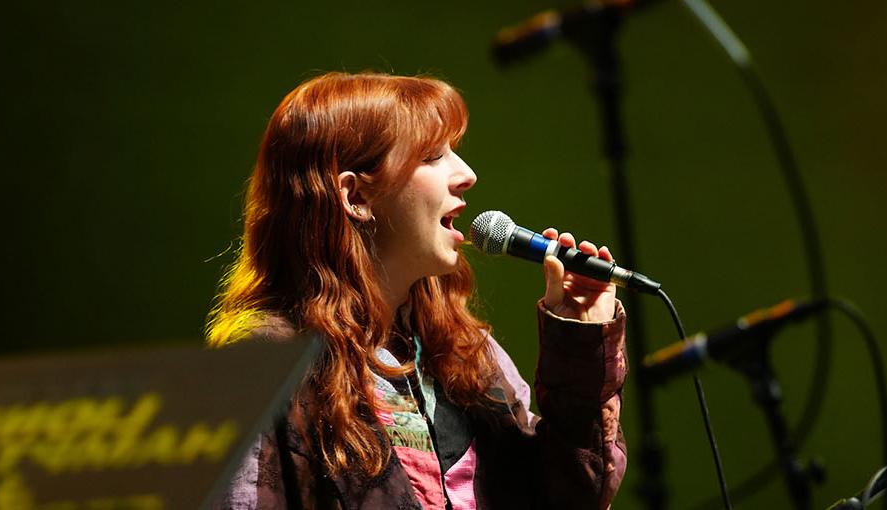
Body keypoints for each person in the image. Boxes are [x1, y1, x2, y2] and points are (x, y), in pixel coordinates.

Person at [206, 71, 628, 509]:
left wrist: (580, 346)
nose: (466, 175)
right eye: (431, 156)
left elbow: (571, 495)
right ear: (355, 196)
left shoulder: (464, 350)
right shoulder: (266, 362)